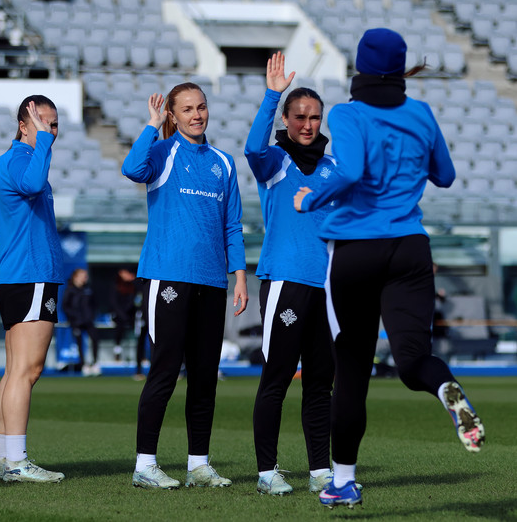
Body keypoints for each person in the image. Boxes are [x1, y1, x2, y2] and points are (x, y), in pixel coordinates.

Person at [294, 28, 486, 508]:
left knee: (351, 371)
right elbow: (446, 176)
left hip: (357, 251)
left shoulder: (347, 113)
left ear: (361, 66)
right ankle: (445, 388)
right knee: (414, 359)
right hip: (410, 250)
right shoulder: (421, 113)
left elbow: (352, 170)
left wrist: (310, 196)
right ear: (400, 69)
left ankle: (343, 482)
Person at [123, 83, 249, 490]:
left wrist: (239, 276)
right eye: (188, 109)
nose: (197, 115)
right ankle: (145, 465)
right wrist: (151, 125)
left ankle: (199, 465)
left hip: (212, 282)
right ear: (173, 115)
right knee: (164, 371)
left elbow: (232, 226)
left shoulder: (223, 162)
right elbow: (131, 169)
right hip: (168, 277)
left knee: (204, 377)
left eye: (202, 107)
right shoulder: (161, 152)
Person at [244, 52, 337, 496]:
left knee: (320, 384)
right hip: (286, 282)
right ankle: (267, 471)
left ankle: (321, 470)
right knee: (276, 378)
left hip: (328, 290)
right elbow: (252, 148)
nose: (307, 124)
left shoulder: (335, 169)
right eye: (299, 116)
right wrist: (271, 95)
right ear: (286, 118)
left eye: (315, 117)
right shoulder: (275, 161)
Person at [0, 95, 65, 483]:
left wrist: (43, 143)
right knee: (26, 370)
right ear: (23, 126)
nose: (50, 130)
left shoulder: (22, 157)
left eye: (53, 123)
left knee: (15, 371)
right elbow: (34, 184)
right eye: (41, 122)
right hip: (30, 274)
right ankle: (16, 461)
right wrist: (43, 143)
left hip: (24, 275)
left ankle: (4, 458)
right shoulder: (22, 159)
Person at [62, 267, 101, 376]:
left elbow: (94, 304)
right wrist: (74, 317)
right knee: (79, 343)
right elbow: (65, 306)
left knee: (95, 339)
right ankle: (83, 364)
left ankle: (95, 363)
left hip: (88, 321)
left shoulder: (88, 290)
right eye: (83, 276)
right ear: (76, 277)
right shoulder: (70, 290)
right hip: (76, 322)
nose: (85, 278)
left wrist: (92, 315)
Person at [111, 267, 138, 363]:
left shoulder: (133, 286)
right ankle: (117, 352)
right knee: (119, 329)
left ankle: (140, 355)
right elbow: (114, 303)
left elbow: (134, 301)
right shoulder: (116, 287)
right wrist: (122, 315)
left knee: (139, 330)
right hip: (119, 316)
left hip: (131, 315)